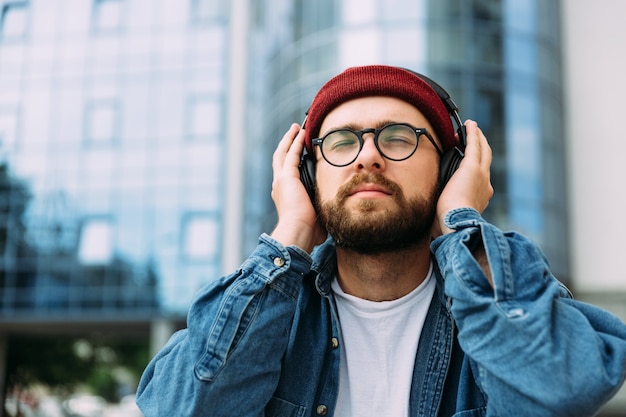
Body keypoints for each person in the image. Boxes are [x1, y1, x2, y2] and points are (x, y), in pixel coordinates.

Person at [136, 65, 626, 417]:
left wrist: (461, 222)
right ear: (309, 179)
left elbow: (562, 390)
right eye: (342, 142)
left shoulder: (506, 299)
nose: (367, 157)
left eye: (398, 137)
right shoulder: (266, 318)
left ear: (450, 170)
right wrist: (291, 234)